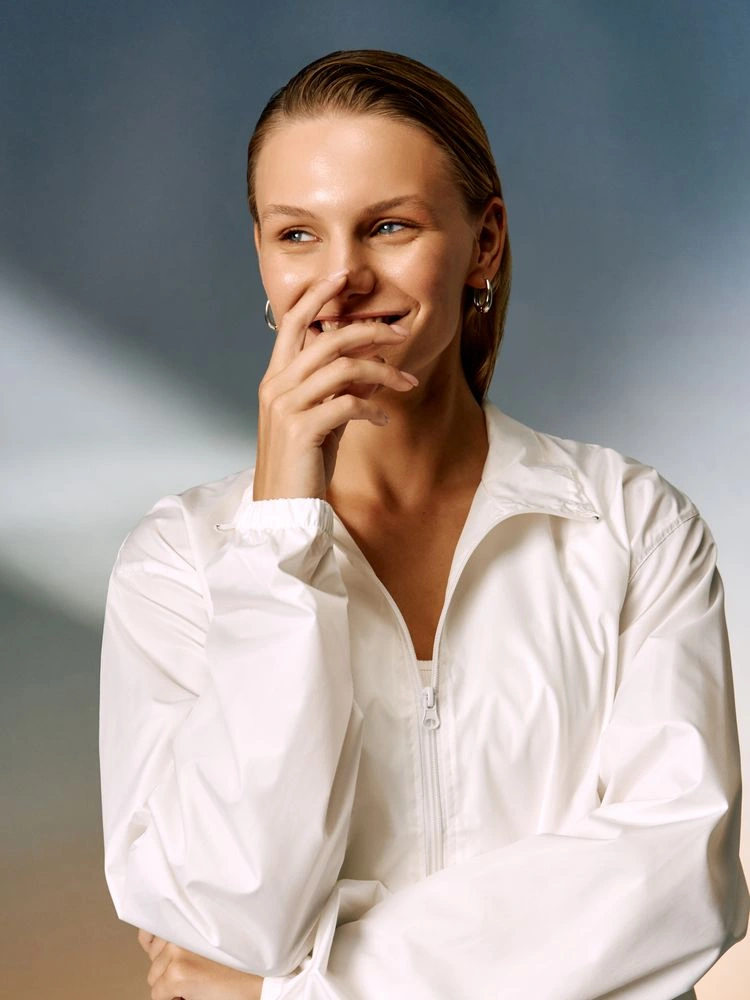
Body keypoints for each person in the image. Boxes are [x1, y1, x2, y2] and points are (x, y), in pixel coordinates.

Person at [98, 49, 749, 1000]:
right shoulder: (178, 564)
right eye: (297, 234)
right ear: (262, 257)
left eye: (389, 226)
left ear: (484, 243)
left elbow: (676, 886)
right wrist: (280, 534)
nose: (342, 278)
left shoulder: (631, 528)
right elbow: (236, 913)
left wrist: (302, 992)